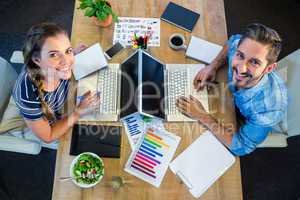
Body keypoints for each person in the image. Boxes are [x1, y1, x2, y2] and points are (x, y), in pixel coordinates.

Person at [176, 23, 288, 156]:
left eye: (254, 62)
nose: (241, 69)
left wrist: (202, 115)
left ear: (269, 68)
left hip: (247, 119)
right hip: (230, 100)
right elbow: (232, 41)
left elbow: (240, 147)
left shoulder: (268, 111)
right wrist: (212, 66)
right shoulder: (241, 46)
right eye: (240, 56)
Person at [11, 22, 99, 149]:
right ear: (37, 60)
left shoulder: (56, 68)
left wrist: (73, 52)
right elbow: (49, 136)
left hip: (65, 103)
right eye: (53, 54)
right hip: (53, 121)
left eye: (67, 50)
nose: (66, 61)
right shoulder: (28, 95)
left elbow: (65, 60)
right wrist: (79, 111)